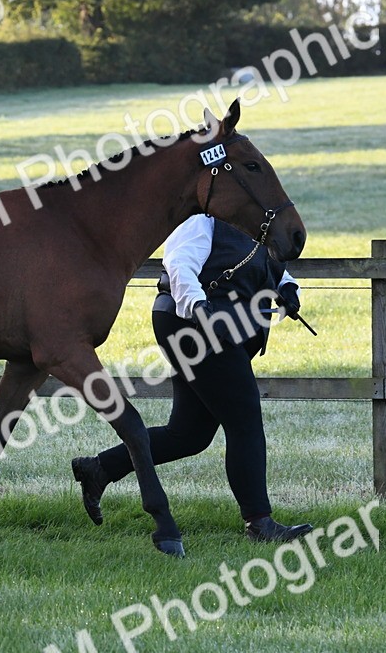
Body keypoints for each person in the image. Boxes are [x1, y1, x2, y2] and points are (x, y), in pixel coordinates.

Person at [71, 213, 314, 542]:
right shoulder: (201, 218)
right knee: (244, 420)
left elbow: (269, 266)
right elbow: (179, 265)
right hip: (192, 325)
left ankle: (99, 469)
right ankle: (259, 523)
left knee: (188, 434)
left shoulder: (253, 223)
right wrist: (199, 309)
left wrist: (287, 288)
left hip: (217, 328)